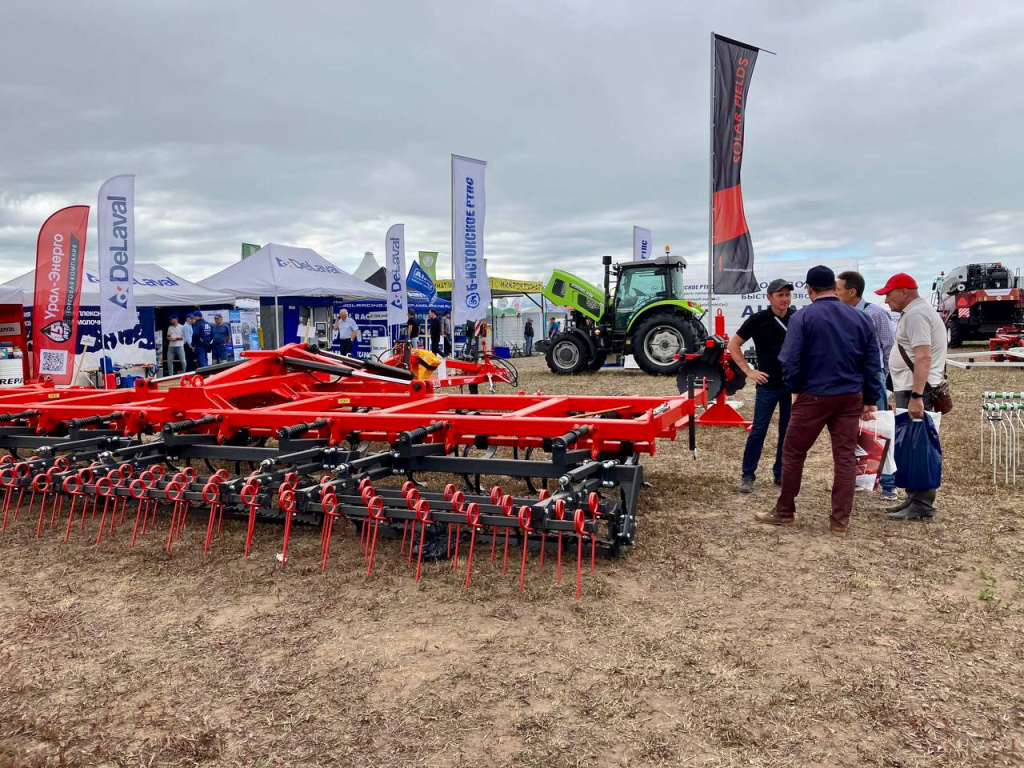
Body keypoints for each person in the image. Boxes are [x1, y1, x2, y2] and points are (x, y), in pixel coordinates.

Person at [755, 265, 881, 536]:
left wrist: (795, 388)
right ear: (834, 289)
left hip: (814, 394)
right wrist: (870, 398)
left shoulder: (802, 317)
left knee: (793, 453)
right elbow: (872, 362)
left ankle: (785, 511)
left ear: (810, 289)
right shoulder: (860, 318)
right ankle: (840, 522)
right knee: (845, 458)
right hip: (850, 397)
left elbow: (790, 359)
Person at [875, 273, 948, 521]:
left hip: (918, 389)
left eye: (888, 294)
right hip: (912, 387)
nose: (886, 300)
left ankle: (922, 503)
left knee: (919, 446)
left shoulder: (916, 315)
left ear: (904, 291)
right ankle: (914, 497)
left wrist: (916, 395)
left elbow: (923, 356)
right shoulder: (916, 312)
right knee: (912, 445)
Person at [728, 278, 795, 493]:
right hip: (767, 386)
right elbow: (734, 344)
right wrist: (748, 371)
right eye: (780, 295)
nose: (784, 299)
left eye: (787, 295)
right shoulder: (758, 319)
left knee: (787, 432)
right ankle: (748, 475)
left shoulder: (797, 318)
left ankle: (780, 473)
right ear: (769, 298)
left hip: (792, 385)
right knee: (759, 431)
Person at [836, 270, 899, 500]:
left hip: (872, 380)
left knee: (880, 428)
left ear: (852, 292)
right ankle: (859, 477)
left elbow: (888, 347)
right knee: (850, 430)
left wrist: (880, 378)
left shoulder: (875, 313)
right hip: (848, 382)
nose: (835, 293)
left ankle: (889, 484)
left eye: (839, 290)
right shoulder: (839, 314)